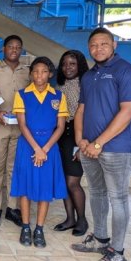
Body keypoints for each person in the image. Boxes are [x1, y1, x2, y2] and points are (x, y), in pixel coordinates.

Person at [71, 28, 131, 261]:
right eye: (93, 45)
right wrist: (81, 140)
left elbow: (128, 111)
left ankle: (117, 251)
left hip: (116, 149)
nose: (98, 48)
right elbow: (81, 109)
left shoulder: (127, 71)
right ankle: (100, 239)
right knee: (97, 194)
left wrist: (99, 143)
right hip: (89, 147)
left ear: (114, 45)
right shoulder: (89, 76)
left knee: (118, 198)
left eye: (103, 44)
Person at [10, 56, 68, 248]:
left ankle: (39, 228)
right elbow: (22, 124)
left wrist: (45, 149)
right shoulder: (22, 94)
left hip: (49, 147)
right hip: (28, 145)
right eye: (35, 71)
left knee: (45, 188)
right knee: (25, 188)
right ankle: (26, 227)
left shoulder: (58, 96)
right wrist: (36, 148)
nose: (39, 75)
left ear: (50, 74)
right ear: (31, 74)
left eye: (44, 71)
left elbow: (60, 127)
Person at [0, 35, 30, 228]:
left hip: (20, 128)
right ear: (4, 48)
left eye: (18, 47)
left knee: (14, 169)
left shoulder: (27, 73)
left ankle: (12, 208)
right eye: (10, 46)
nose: (14, 50)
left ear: (21, 50)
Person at [53, 50, 90, 237]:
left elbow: (88, 116)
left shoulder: (86, 85)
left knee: (73, 181)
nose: (68, 67)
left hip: (77, 134)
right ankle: (70, 219)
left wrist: (81, 144)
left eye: (72, 64)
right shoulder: (58, 85)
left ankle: (82, 220)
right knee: (63, 181)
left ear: (80, 65)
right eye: (65, 63)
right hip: (60, 134)